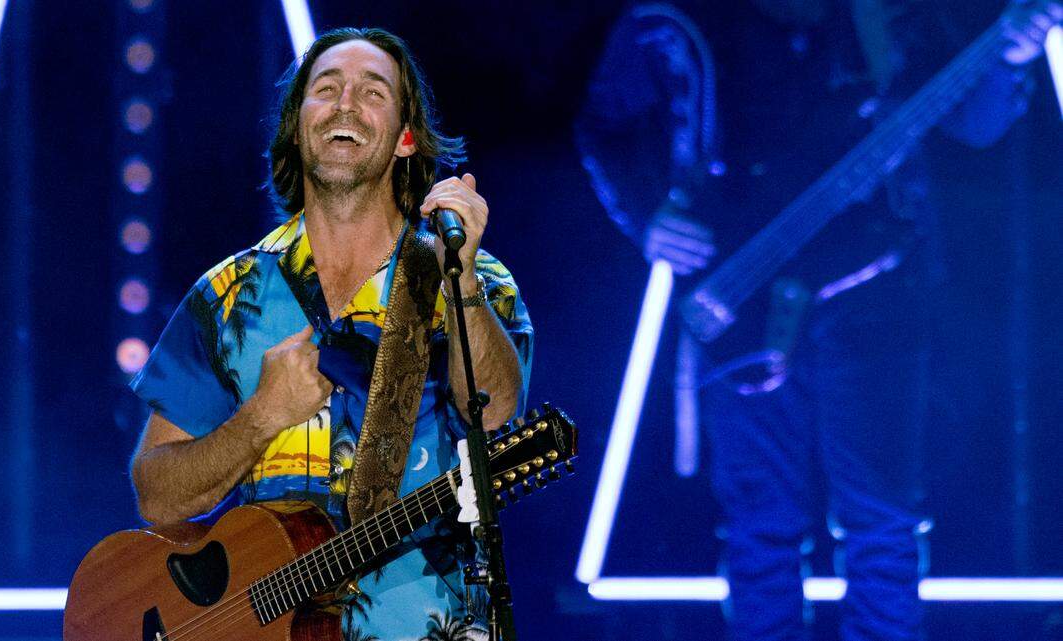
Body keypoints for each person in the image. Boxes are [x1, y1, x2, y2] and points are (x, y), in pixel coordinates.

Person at [577, 1, 1060, 640]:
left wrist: (1009, 62)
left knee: (882, 520)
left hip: (874, 291)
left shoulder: (885, 11)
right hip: (739, 293)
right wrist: (648, 218)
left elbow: (973, 125)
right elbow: (603, 124)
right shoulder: (675, 14)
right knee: (759, 524)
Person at [128, 27, 533, 640]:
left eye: (373, 92)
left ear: (405, 138)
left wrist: (463, 284)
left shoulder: (471, 279)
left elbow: (499, 416)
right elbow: (157, 497)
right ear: (297, 126)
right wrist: (260, 417)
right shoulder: (229, 296)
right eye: (327, 89)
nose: (346, 103)